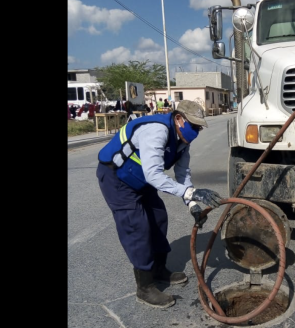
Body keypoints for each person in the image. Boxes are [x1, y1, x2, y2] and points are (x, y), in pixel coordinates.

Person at [95, 99, 225, 309]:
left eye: (199, 128)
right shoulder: (156, 130)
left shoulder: (183, 143)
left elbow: (183, 175)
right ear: (179, 119)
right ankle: (145, 287)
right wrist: (192, 192)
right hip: (116, 178)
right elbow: (154, 175)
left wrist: (192, 205)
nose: (196, 132)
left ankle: (158, 269)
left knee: (158, 218)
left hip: (140, 180)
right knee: (137, 227)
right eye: (193, 126)